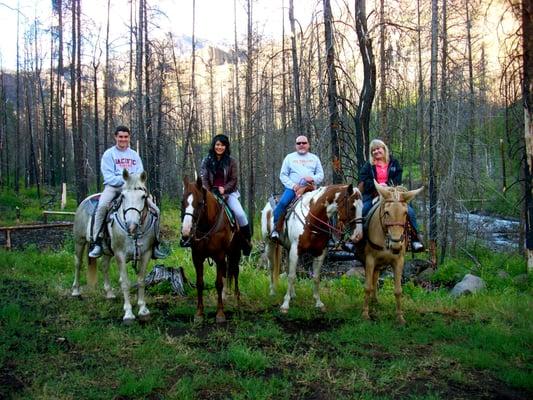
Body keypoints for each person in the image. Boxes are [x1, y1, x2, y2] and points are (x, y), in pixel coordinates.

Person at [88, 126, 167, 259]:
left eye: (125, 137)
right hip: (114, 187)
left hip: (133, 189)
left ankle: (155, 243)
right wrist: (126, 180)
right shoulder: (109, 154)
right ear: (116, 137)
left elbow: (140, 174)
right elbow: (108, 177)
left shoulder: (134, 155)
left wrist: (133, 182)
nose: (123, 139)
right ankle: (97, 241)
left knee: (155, 210)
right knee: (102, 206)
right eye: (120, 137)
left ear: (129, 138)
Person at [358, 138, 424, 252]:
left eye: (378, 148)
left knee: (410, 212)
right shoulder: (368, 166)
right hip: (373, 194)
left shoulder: (394, 163)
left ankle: (415, 239)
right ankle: (358, 241)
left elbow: (398, 177)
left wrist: (388, 186)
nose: (376, 151)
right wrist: (377, 186)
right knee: (363, 211)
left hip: (393, 194)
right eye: (373, 150)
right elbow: (364, 180)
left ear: (384, 149)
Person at [200, 134, 252, 256]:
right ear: (213, 145)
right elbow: (204, 178)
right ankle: (188, 238)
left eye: (223, 145)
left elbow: (234, 180)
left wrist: (224, 189)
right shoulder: (206, 160)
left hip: (229, 193)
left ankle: (246, 242)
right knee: (194, 211)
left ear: (226, 146)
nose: (220, 147)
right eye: (217, 144)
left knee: (240, 214)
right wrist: (209, 192)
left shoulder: (231, 161)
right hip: (209, 193)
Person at [270, 135, 324, 239]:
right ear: (296, 146)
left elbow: (320, 175)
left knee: (325, 205)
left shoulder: (314, 158)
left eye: (304, 143)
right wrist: (293, 185)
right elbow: (283, 175)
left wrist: (312, 178)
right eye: (299, 143)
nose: (301, 145)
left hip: (311, 188)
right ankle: (276, 229)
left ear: (308, 145)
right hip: (293, 189)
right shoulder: (289, 158)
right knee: (282, 203)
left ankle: (329, 232)